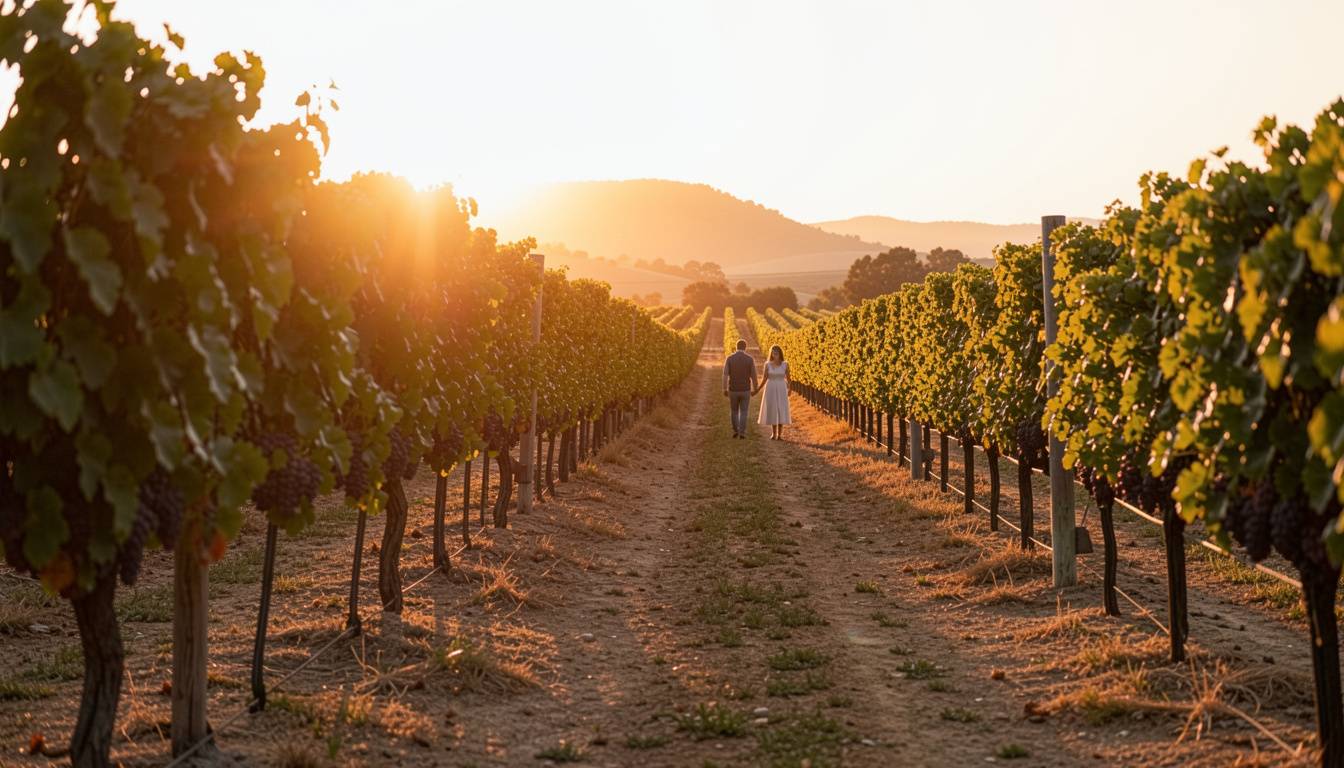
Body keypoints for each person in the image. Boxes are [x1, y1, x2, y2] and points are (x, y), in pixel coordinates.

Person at [754, 344, 792, 440]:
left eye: (777, 352)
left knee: (780, 409)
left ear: (780, 353)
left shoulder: (785, 364)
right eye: (773, 353)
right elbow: (765, 378)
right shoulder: (767, 364)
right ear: (771, 354)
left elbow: (789, 379)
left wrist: (790, 389)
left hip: (781, 388)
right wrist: (758, 389)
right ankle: (773, 433)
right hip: (770, 388)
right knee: (772, 409)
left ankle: (779, 435)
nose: (775, 354)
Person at [722, 339, 758, 439]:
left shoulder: (729, 358)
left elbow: (725, 375)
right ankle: (742, 432)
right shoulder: (749, 359)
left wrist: (724, 388)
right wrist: (755, 389)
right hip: (745, 389)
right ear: (745, 347)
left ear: (736, 347)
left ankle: (735, 430)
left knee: (734, 411)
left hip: (733, 389)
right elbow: (754, 376)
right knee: (744, 411)